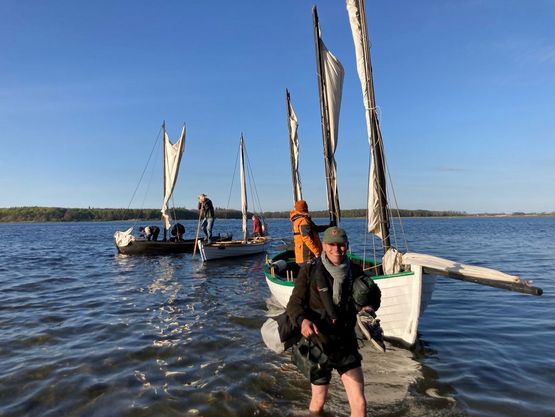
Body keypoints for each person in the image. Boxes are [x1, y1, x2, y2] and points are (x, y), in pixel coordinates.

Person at [286, 226, 378, 417]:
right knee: (318, 402)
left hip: (346, 344)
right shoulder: (309, 271)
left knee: (359, 404)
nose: (336, 249)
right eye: (331, 245)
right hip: (318, 344)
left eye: (341, 245)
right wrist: (302, 321)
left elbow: (375, 296)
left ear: (347, 246)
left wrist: (368, 308)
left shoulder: (355, 270)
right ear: (324, 246)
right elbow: (294, 304)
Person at [290, 200, 329, 265]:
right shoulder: (303, 221)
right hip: (306, 256)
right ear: (305, 208)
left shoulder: (301, 219)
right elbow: (306, 238)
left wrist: (328, 227)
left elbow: (315, 228)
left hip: (303, 256)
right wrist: (317, 252)